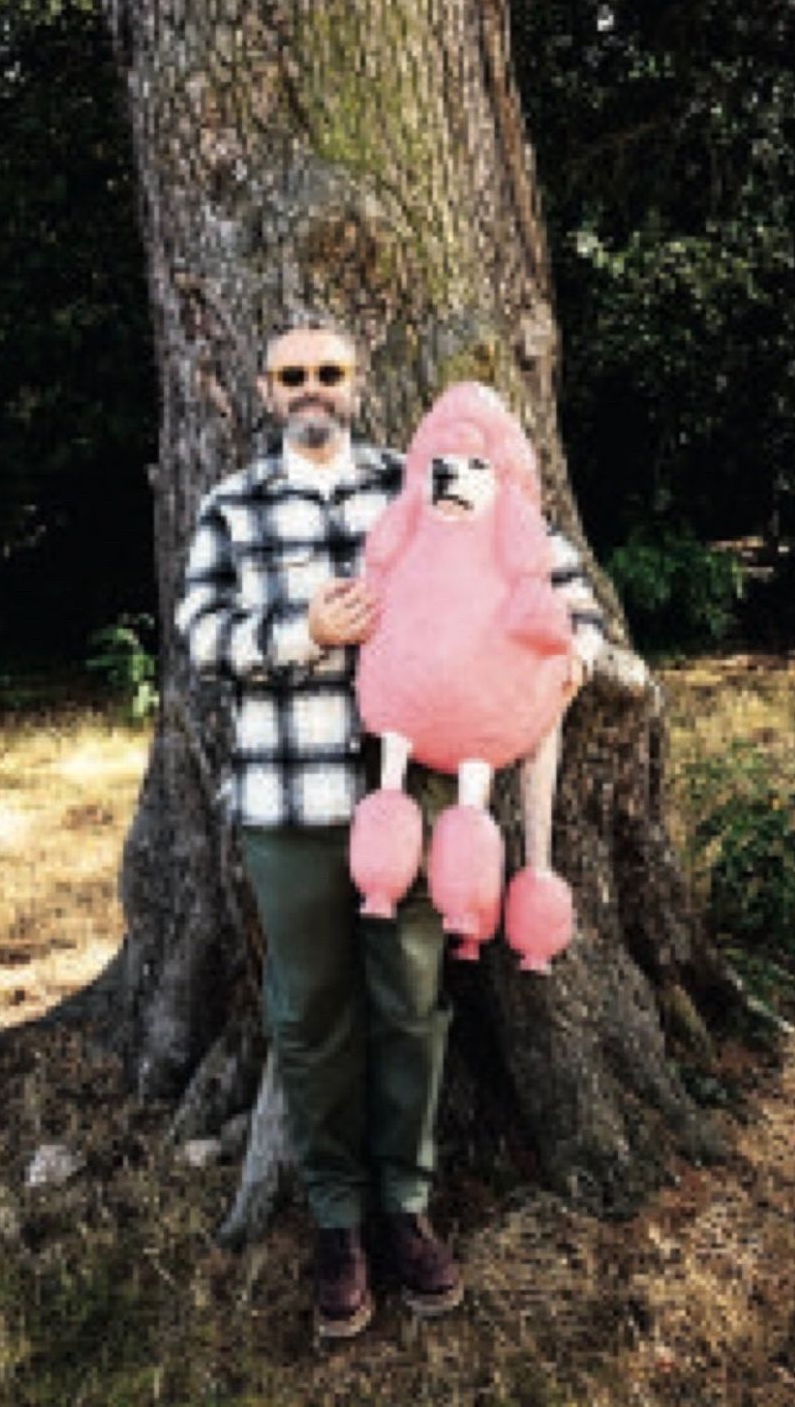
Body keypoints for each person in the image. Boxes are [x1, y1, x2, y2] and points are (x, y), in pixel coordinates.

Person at [176, 318, 601, 1338]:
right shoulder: (235, 507)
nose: (312, 388)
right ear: (265, 389)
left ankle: (406, 1208)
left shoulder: (418, 482)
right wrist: (304, 633)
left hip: (408, 816)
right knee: (311, 1017)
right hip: (288, 806)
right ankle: (336, 1221)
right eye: (292, 375)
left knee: (411, 1006)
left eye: (330, 371)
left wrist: (571, 651)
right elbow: (198, 635)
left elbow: (543, 561)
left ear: (358, 383)